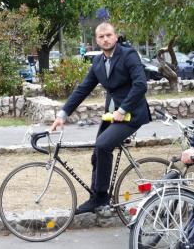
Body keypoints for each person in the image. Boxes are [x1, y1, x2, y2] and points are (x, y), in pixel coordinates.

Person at [51, 22, 151, 214]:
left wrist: (122, 110)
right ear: (96, 41)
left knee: (103, 145)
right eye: (101, 37)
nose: (105, 39)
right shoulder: (97, 62)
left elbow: (140, 85)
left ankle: (102, 198)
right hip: (112, 115)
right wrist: (62, 114)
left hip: (132, 114)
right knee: (97, 154)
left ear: (115, 36)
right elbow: (82, 89)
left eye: (108, 35)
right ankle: (95, 197)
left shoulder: (128, 55)